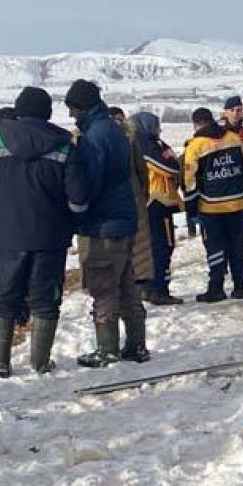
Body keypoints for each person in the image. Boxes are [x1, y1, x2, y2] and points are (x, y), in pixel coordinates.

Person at [0, 87, 89, 377]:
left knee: (4, 298)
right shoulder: (65, 148)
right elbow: (78, 199)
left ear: (18, 109)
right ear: (48, 112)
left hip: (7, 238)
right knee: (45, 300)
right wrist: (70, 225)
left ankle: (0, 365)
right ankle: (39, 362)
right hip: (50, 238)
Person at [64, 79, 149, 366]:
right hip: (124, 219)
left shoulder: (94, 138)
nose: (71, 117)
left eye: (72, 110)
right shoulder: (114, 129)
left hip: (103, 224)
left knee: (103, 286)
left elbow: (91, 183)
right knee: (127, 285)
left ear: (80, 107)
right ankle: (137, 345)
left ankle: (107, 349)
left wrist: (78, 212)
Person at [183, 107, 243, 302]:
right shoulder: (233, 138)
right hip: (237, 204)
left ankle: (216, 288)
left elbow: (190, 181)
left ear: (195, 123)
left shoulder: (195, 146)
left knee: (215, 248)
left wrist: (191, 209)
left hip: (211, 207)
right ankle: (239, 287)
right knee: (236, 246)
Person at [130, 112, 184, 305]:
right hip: (157, 202)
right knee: (162, 248)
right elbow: (170, 166)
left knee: (154, 248)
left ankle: (151, 287)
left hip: (156, 202)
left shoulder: (152, 142)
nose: (159, 129)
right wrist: (172, 160)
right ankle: (159, 289)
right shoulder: (145, 144)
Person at [108, 106, 154, 291]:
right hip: (133, 198)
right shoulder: (130, 139)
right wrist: (142, 196)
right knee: (136, 252)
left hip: (107, 207)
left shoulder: (91, 139)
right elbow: (142, 170)